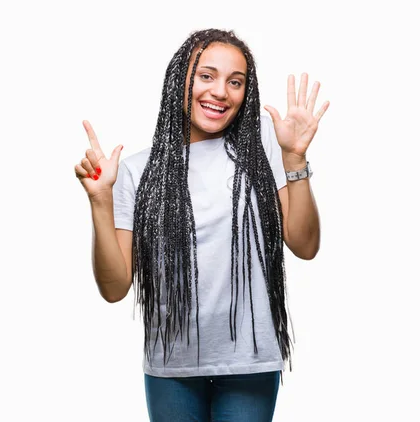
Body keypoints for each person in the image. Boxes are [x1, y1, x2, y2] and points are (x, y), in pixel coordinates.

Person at [74, 28, 329, 422]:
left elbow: (305, 245)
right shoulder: (137, 172)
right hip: (171, 367)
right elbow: (114, 288)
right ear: (181, 79)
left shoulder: (263, 147)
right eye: (206, 76)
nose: (220, 92)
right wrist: (100, 202)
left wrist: (294, 158)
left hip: (249, 361)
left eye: (235, 82)